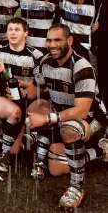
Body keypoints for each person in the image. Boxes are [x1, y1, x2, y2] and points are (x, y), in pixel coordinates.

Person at [25, 24, 107, 209]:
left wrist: (46, 120)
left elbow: (81, 111)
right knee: (55, 169)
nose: (51, 45)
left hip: (91, 119)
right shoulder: (45, 62)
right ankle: (97, 152)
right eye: (48, 40)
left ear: (69, 41)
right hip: (63, 113)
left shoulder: (81, 66)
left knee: (68, 129)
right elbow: (36, 90)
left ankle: (77, 186)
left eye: (57, 40)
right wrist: (10, 83)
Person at [0, 17, 43, 179]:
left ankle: (23, 138)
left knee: (18, 148)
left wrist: (26, 92)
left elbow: (39, 89)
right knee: (15, 113)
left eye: (17, 30)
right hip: (4, 101)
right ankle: (3, 155)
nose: (13, 33)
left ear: (26, 33)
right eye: (10, 29)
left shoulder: (36, 55)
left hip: (26, 102)